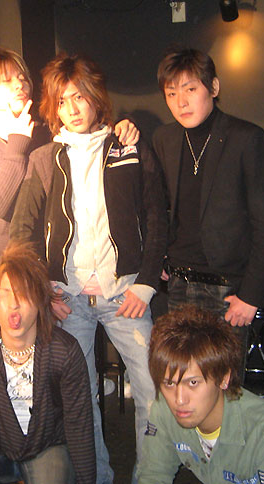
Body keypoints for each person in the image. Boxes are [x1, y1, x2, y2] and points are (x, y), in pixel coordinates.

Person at [10, 53, 167, 484]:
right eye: (62, 101)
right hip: (68, 298)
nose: (72, 109)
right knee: (78, 401)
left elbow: (157, 218)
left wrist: (147, 284)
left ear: (97, 97)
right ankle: (95, 477)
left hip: (126, 294)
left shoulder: (127, 145)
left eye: (79, 97)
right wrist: (43, 292)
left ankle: (150, 477)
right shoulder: (44, 158)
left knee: (153, 392)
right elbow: (21, 233)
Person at [0, 46, 139, 275]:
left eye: (22, 78)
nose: (19, 85)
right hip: (4, 266)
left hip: (51, 263)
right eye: (7, 81)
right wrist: (17, 145)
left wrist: (121, 126)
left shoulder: (47, 135)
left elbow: (88, 134)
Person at [152, 48, 264, 356]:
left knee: (223, 380)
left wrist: (251, 295)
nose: (181, 102)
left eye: (190, 89)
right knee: (181, 375)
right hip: (178, 283)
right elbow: (158, 208)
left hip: (229, 289)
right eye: (171, 94)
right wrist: (158, 257)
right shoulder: (165, 139)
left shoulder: (246, 138)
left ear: (213, 87)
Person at [0, 243, 95, 484]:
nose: (13, 304)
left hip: (47, 447)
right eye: (4, 294)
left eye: (23, 294)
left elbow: (79, 426)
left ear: (40, 300)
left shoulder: (64, 351)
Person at [136, 305, 264, 484]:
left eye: (193, 383)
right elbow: (153, 476)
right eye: (169, 383)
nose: (179, 399)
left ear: (224, 378)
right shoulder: (164, 408)